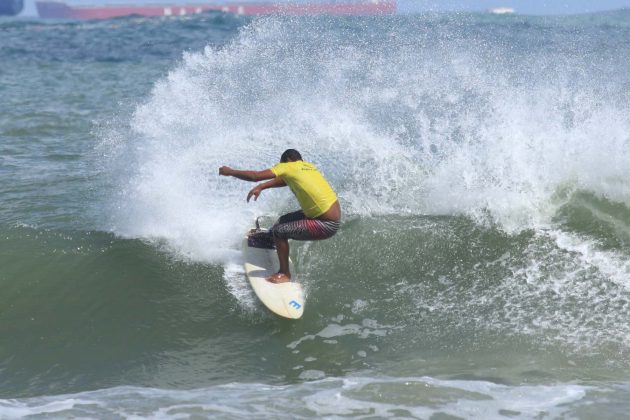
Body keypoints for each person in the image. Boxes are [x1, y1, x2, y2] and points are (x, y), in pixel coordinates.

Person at [219, 149, 341, 283]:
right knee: (282, 221)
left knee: (279, 231)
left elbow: (255, 175)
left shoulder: (288, 166)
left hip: (325, 224)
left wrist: (230, 172)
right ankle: (271, 239)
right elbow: (285, 180)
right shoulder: (308, 166)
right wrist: (262, 186)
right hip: (325, 214)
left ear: (287, 160)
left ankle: (284, 274)